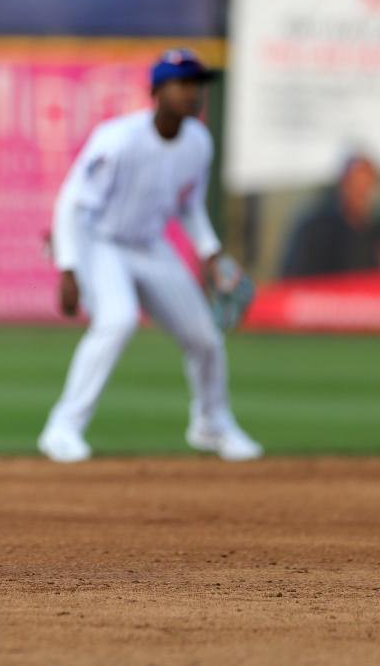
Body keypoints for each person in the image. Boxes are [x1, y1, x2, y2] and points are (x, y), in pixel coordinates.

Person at [38, 48, 263, 464]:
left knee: (205, 337)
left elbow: (190, 206)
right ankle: (62, 429)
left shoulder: (198, 142)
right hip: (101, 241)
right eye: (183, 84)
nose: (192, 93)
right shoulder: (118, 138)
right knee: (118, 320)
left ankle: (212, 424)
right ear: (157, 92)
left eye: (197, 85)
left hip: (151, 245)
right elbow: (72, 202)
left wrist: (210, 254)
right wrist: (68, 268)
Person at [280, 155, 380, 278]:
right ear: (344, 185)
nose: (361, 196)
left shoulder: (372, 229)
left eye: (366, 189)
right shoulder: (315, 227)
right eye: (356, 187)